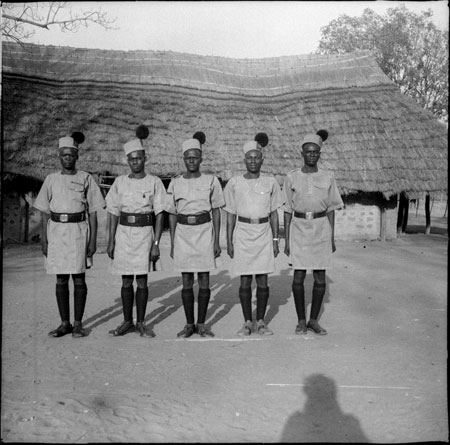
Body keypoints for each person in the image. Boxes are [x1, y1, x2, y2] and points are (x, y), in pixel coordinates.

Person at [34, 131, 105, 338]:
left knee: (79, 279)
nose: (68, 158)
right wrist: (44, 240)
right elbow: (44, 212)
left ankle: (78, 324)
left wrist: (92, 241)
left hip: (78, 232)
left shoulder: (86, 178)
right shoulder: (50, 179)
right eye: (64, 154)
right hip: (56, 232)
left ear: (77, 156)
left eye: (71, 154)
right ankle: (64, 323)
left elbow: (93, 212)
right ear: (59, 156)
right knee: (61, 279)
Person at [106, 125, 166, 337]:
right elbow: (113, 212)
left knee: (141, 280)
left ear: (145, 158)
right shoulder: (120, 182)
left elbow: (160, 214)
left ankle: (141, 322)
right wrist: (111, 240)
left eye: (138, 158)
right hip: (124, 234)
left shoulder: (155, 182)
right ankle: (126, 321)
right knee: (125, 280)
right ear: (127, 161)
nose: (135, 162)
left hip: (144, 235)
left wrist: (156, 244)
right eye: (131, 159)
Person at [283, 130, 343, 335]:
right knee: (298, 277)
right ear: (302, 153)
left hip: (320, 229)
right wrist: (286, 240)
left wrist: (331, 237)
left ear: (319, 154)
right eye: (308, 152)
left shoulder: (328, 177)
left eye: (315, 152)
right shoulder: (291, 177)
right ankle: (301, 320)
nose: (311, 155)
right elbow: (287, 210)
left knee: (319, 278)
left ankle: (314, 320)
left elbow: (332, 208)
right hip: (299, 228)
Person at [166, 131, 225, 338]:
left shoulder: (211, 181)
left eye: (195, 157)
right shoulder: (175, 182)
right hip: (183, 234)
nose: (192, 161)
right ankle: (189, 323)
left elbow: (216, 211)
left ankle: (202, 324)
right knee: (187, 280)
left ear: (201, 158)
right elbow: (172, 214)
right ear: (184, 159)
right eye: (188, 157)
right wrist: (173, 241)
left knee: (205, 279)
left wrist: (216, 240)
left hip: (203, 232)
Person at [224, 133, 283, 336]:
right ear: (244, 160)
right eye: (249, 158)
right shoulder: (234, 183)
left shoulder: (271, 182)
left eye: (256, 157)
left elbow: (274, 213)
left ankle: (261, 322)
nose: (253, 161)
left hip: (264, 233)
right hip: (243, 233)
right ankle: (247, 322)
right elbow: (230, 214)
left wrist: (275, 239)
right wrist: (229, 240)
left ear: (262, 159)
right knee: (245, 280)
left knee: (263, 280)